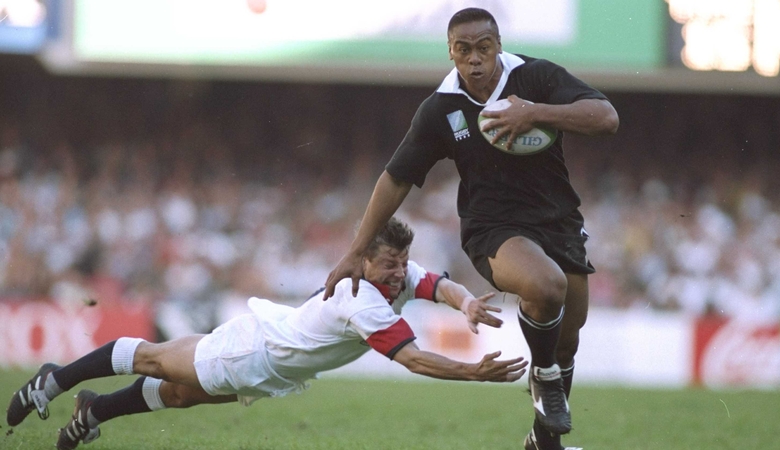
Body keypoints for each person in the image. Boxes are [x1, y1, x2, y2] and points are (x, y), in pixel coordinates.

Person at [323, 8, 619, 450]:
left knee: (567, 340)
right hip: (493, 228)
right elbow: (396, 178)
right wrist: (355, 249)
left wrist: (534, 113)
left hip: (559, 220)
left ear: (498, 45)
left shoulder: (535, 77)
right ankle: (545, 378)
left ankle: (543, 442)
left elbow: (606, 117)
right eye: (463, 50)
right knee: (546, 286)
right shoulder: (441, 108)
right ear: (451, 53)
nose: (475, 59)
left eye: (483, 48)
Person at [6, 217, 527, 450]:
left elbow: (438, 284)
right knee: (156, 361)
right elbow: (412, 359)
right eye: (389, 264)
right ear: (362, 260)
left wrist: (467, 303)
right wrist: (473, 373)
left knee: (182, 396)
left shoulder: (394, 275)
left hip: (275, 364)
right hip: (255, 351)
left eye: (401, 263)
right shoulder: (360, 297)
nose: (399, 273)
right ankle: (53, 380)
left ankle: (93, 411)